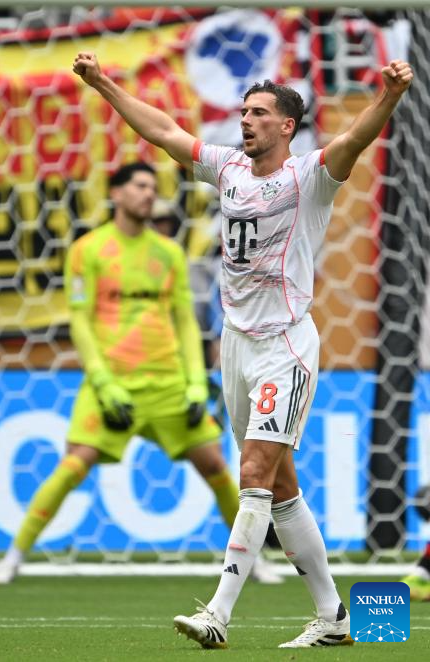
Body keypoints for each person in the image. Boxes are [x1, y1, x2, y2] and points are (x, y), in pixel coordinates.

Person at [71, 52, 413, 648]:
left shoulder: (310, 176)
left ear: (287, 125)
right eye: (244, 111)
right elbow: (163, 130)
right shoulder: (227, 167)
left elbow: (354, 139)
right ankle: (334, 618)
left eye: (258, 113)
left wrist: (388, 97)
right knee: (279, 489)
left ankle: (218, 614)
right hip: (236, 345)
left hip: (285, 345)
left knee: (252, 472)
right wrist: (103, 83)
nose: (245, 120)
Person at [0, 162, 281, 586]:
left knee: (217, 468)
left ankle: (252, 560)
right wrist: (103, 382)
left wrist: (195, 384)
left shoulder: (168, 253)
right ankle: (14, 557)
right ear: (116, 193)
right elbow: (80, 321)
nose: (148, 194)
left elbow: (184, 322)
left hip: (168, 384)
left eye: (152, 187)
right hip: (113, 383)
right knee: (73, 465)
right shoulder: (87, 250)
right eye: (140, 186)